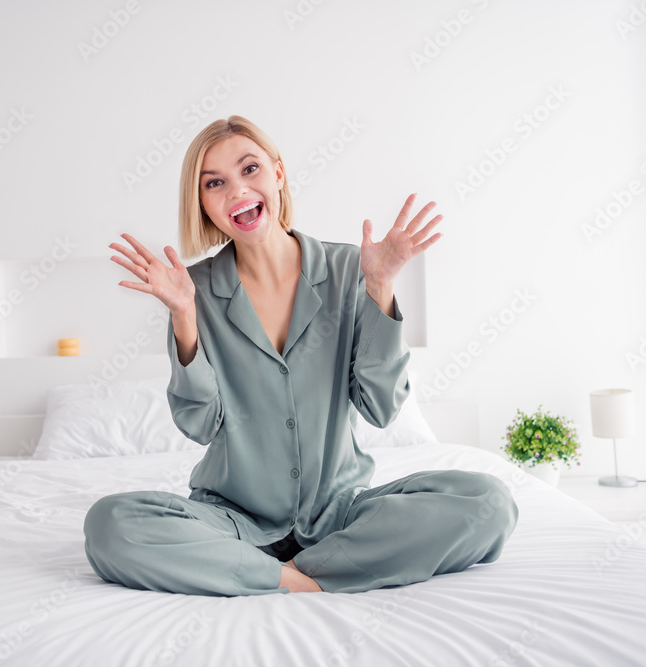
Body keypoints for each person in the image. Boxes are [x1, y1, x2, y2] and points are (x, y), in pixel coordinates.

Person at [84, 115, 518, 595]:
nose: (237, 191)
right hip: (233, 519)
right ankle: (300, 577)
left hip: (339, 513)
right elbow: (200, 425)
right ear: (203, 203)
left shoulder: (350, 269)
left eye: (250, 170)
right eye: (215, 183)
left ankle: (276, 573)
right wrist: (185, 316)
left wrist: (380, 287)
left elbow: (381, 407)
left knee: (489, 503)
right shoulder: (194, 290)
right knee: (110, 524)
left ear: (278, 174)